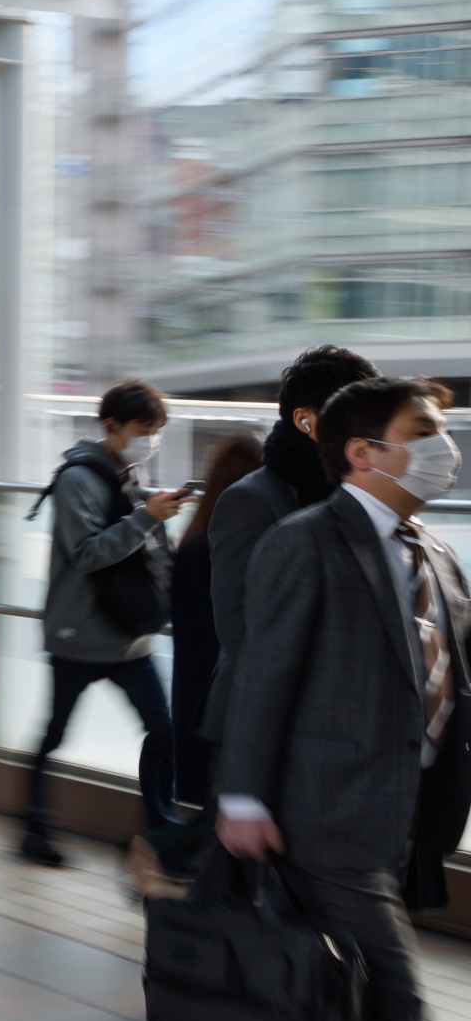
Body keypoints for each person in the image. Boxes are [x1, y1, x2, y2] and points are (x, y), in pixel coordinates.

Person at [153, 378, 471, 1021]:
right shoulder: (309, 540)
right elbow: (261, 672)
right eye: (426, 431)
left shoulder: (435, 554)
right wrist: (246, 796)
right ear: (365, 453)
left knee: (289, 955)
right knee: (395, 1007)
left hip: (399, 815)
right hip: (321, 817)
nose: (446, 445)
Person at [23, 379, 189, 867]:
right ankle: (36, 828)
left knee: (164, 732)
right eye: (144, 428)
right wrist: (147, 518)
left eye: (157, 429)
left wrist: (156, 516)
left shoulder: (130, 474)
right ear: (111, 425)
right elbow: (87, 553)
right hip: (79, 636)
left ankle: (159, 834)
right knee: (55, 734)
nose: (151, 438)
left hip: (127, 638)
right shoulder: (79, 478)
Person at [197, 345, 379, 756]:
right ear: (305, 420)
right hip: (268, 728)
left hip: (342, 730)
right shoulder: (250, 500)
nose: (370, 428)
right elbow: (238, 628)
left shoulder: (362, 495)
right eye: (354, 413)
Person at [126, 432, 261, 895]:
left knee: (220, 805)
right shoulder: (221, 548)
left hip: (198, 692)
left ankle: (167, 852)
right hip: (221, 697)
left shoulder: (198, 540)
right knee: (223, 806)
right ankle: (162, 848)